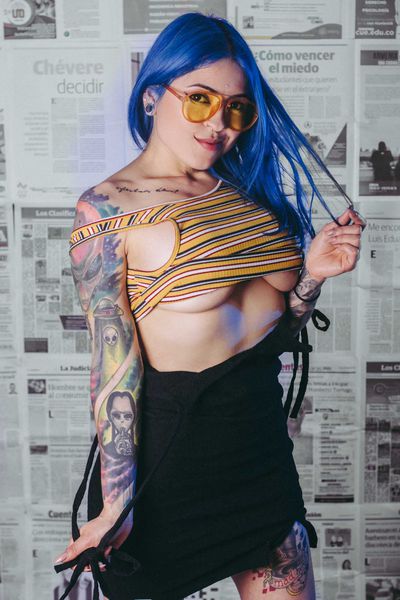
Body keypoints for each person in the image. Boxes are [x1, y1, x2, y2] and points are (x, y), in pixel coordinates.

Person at [53, 11, 365, 600]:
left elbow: (272, 334)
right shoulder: (107, 211)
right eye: (200, 99)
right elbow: (114, 365)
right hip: (168, 471)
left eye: (237, 109)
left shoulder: (248, 195)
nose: (219, 123)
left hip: (259, 456)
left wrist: (312, 278)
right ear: (152, 96)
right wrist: (117, 504)